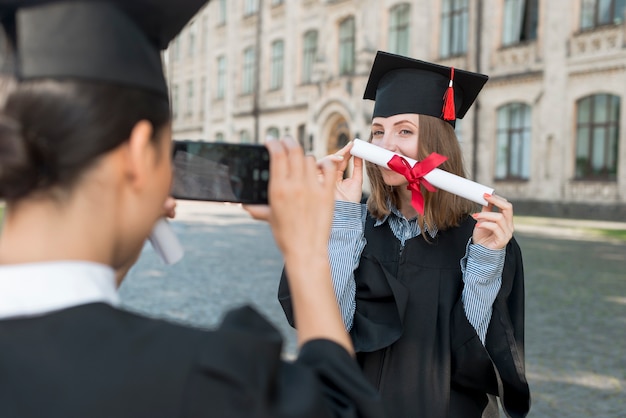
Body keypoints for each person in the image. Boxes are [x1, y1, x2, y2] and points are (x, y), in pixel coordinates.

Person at [0, 1, 386, 417]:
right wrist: (307, 252)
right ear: (136, 155)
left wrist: (116, 236)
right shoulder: (196, 383)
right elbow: (342, 406)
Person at [278, 51, 531, 417]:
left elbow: (472, 358)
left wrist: (485, 263)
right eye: (378, 131)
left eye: (404, 131)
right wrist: (344, 219)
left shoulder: (478, 239)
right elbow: (330, 334)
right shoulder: (352, 222)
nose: (386, 146)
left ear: (436, 143)